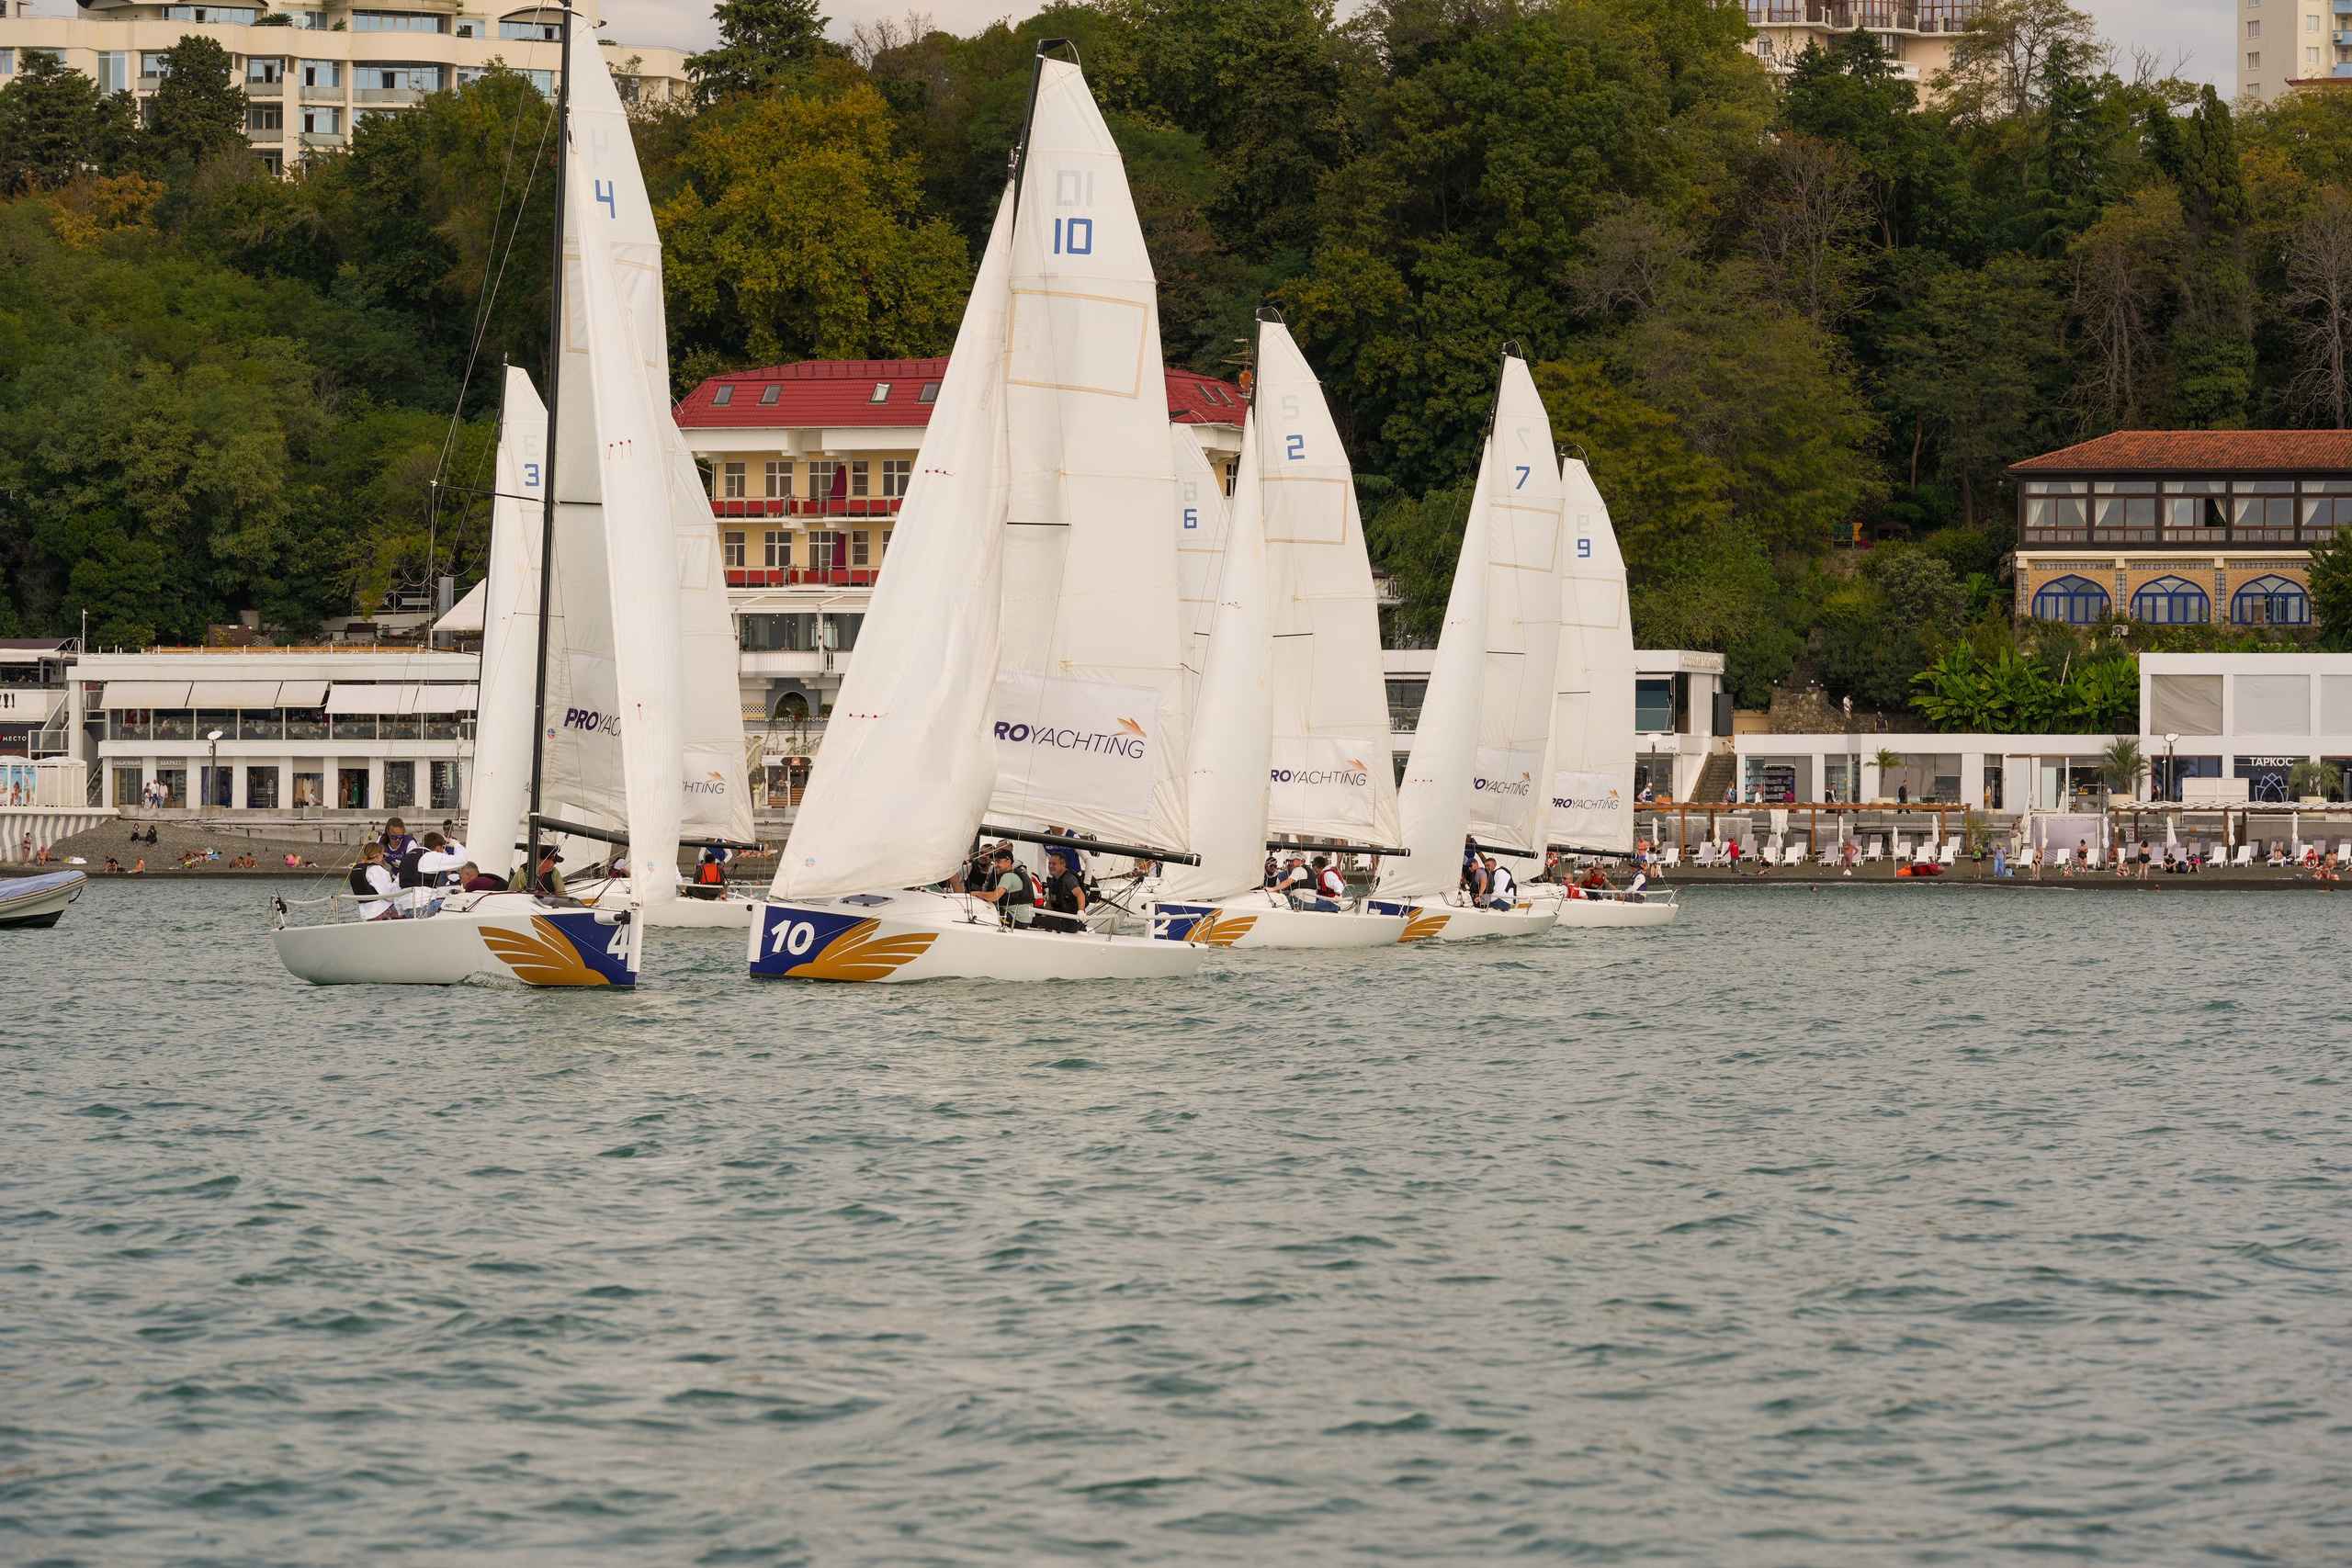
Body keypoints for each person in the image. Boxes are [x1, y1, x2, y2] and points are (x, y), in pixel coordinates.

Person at [968, 846, 1035, 927]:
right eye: (994, 862)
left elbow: (994, 896)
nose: (995, 865)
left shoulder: (1008, 876)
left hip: (1015, 919)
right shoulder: (1019, 874)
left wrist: (975, 893)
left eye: (998, 861)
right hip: (1026, 920)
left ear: (1008, 862)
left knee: (980, 914)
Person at [1035, 849, 1089, 932]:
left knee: (1034, 920)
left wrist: (1081, 911)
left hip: (1069, 921)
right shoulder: (1053, 880)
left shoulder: (1068, 879)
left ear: (1063, 865)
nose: (1050, 866)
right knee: (1033, 914)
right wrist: (1043, 914)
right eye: (1049, 863)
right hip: (1059, 914)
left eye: (1054, 864)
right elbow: (1050, 903)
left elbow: (1080, 894)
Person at [349, 841, 400, 919]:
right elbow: (388, 895)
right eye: (383, 855)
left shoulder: (357, 869)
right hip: (381, 910)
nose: (383, 858)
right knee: (408, 906)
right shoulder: (376, 869)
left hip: (366, 913)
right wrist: (398, 879)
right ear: (378, 856)